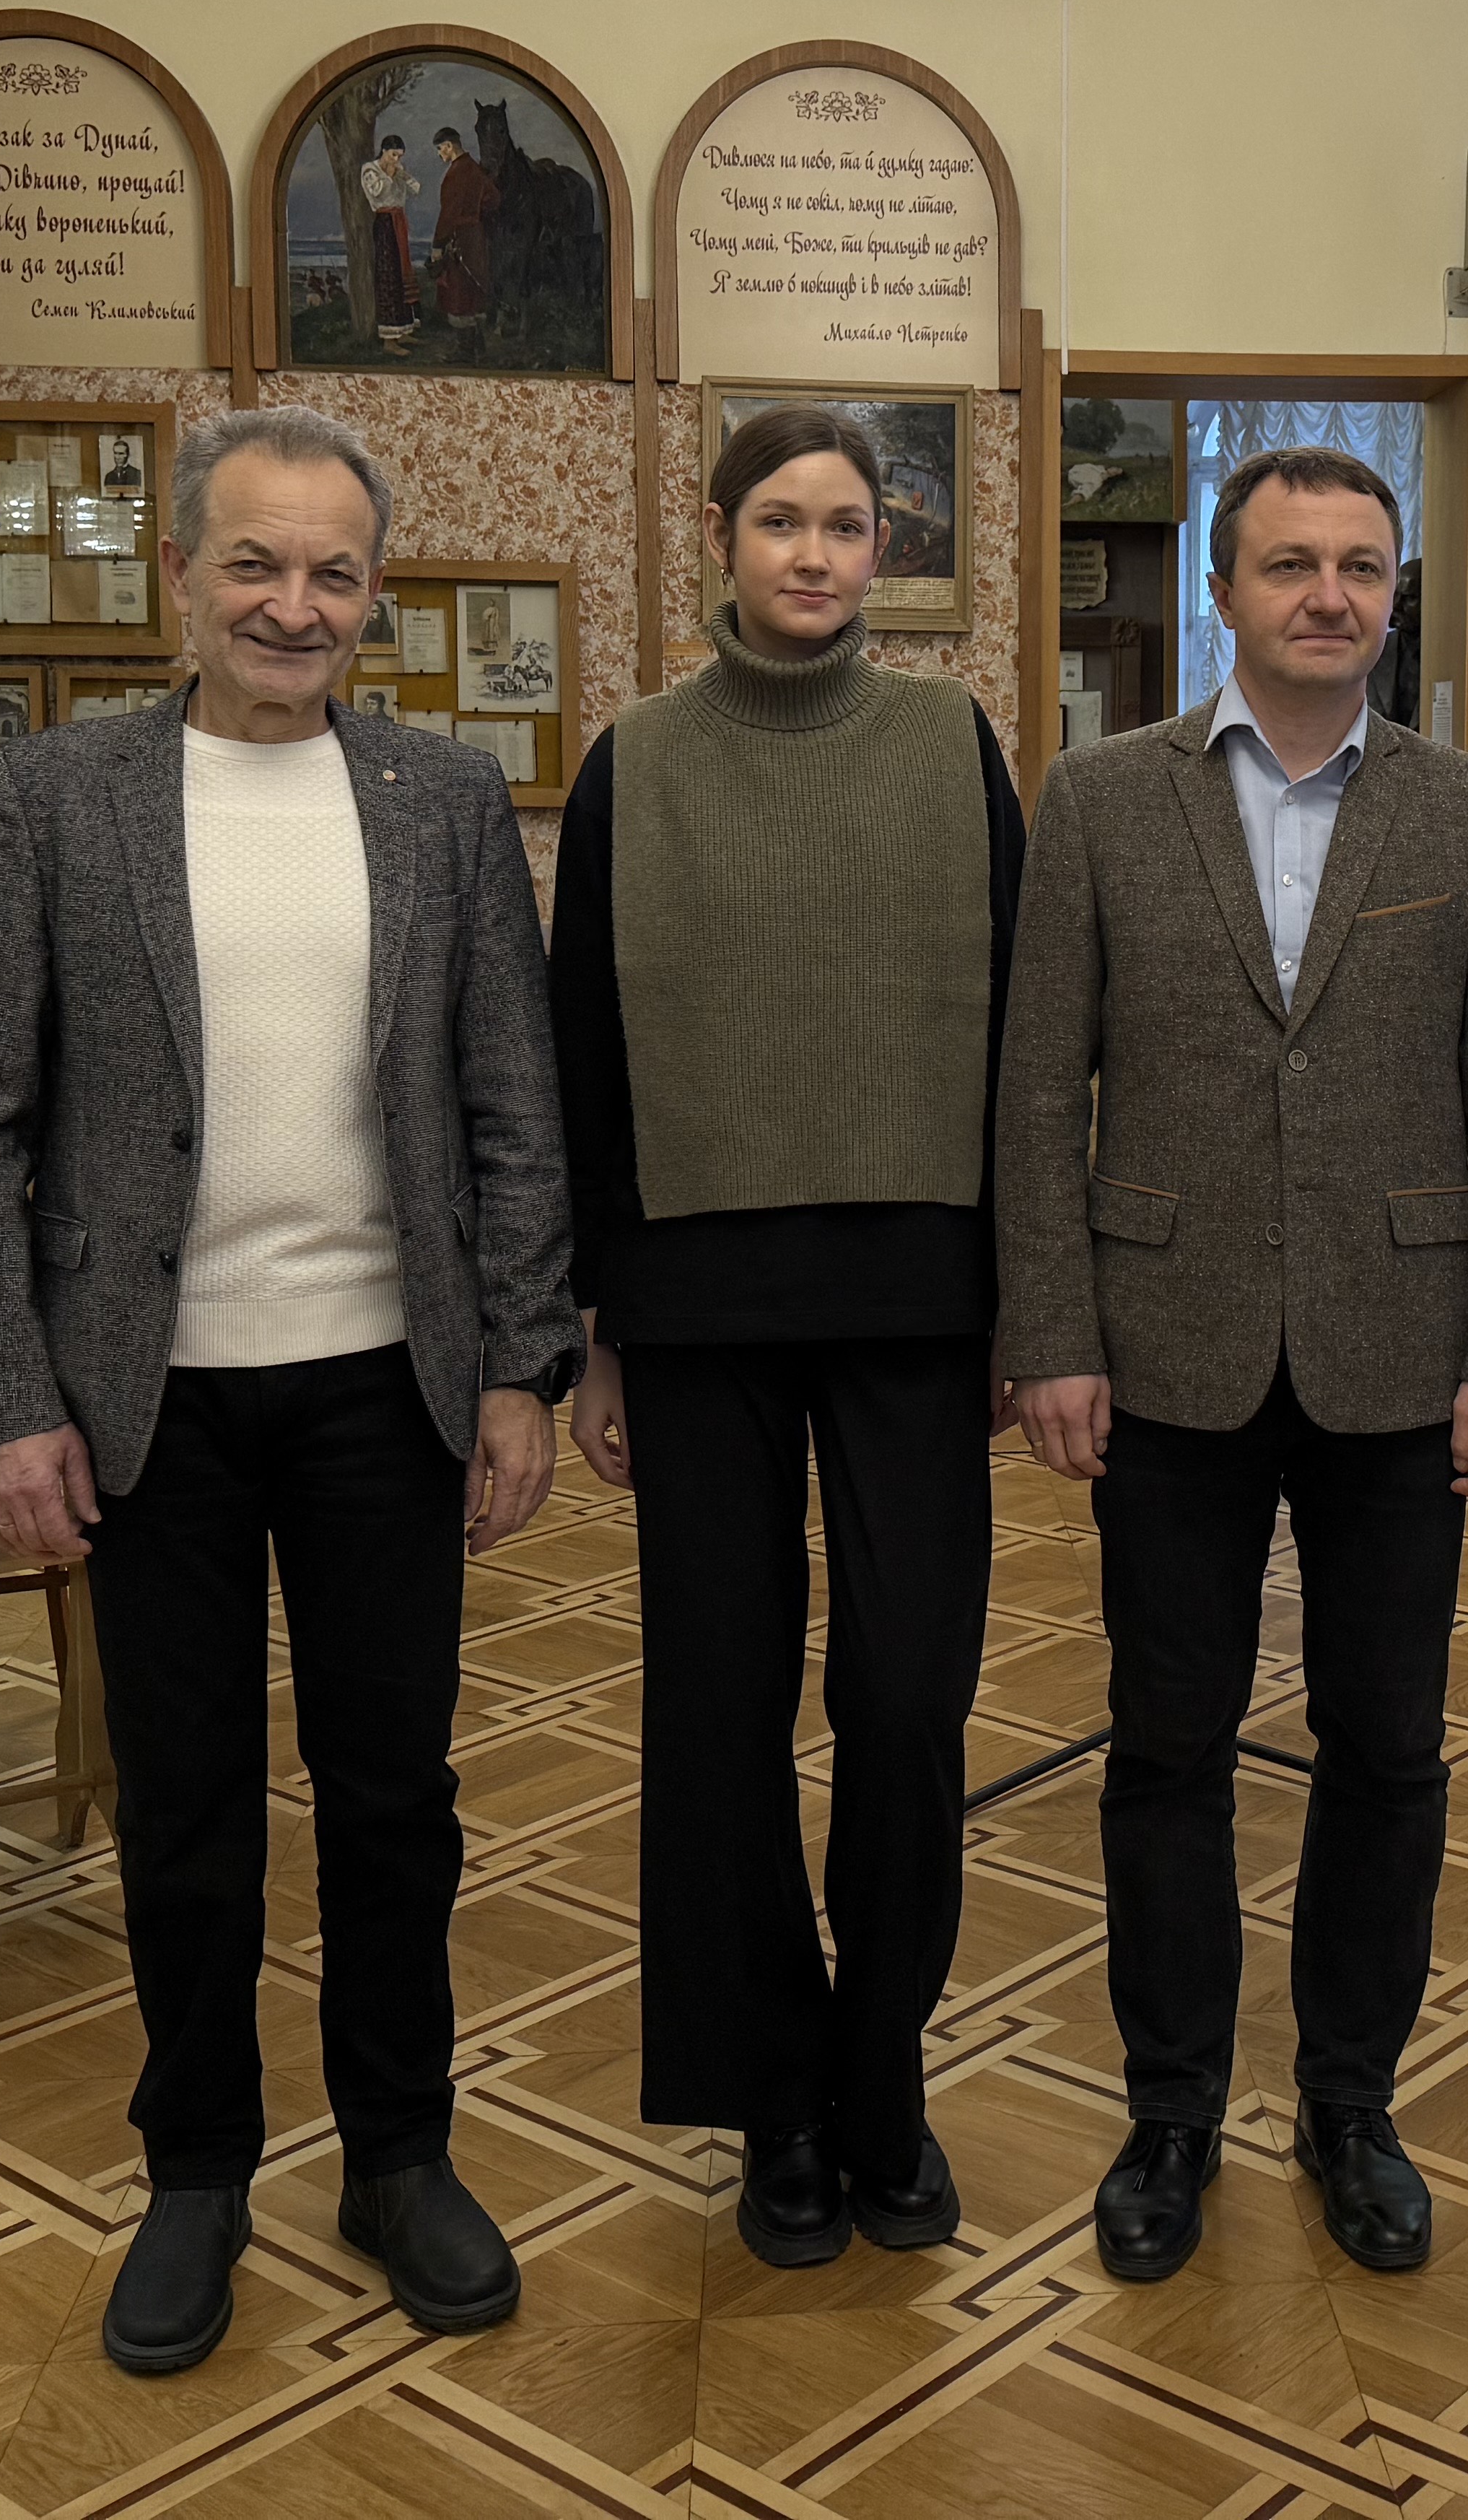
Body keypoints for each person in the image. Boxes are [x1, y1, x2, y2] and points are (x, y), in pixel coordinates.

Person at [0, 404, 580, 2374]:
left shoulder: (444, 798)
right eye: (257, 564)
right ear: (180, 579)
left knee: (395, 1799)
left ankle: (399, 2154)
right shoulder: (59, 797)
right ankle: (197, 2171)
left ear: (372, 595)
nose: (295, 604)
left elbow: (512, 1104)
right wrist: (6, 1401)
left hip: (389, 1386)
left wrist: (525, 1367)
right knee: (189, 1806)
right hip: (151, 1405)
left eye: (334, 572)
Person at [1001, 445, 1468, 2285]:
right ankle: (1170, 2109)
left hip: (1404, 1356)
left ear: (1395, 595)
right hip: (1162, 1349)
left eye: (1361, 568)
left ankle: (1350, 2104)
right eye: (1291, 565)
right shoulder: (1100, 799)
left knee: (1387, 1751)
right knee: (1167, 1746)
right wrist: (1051, 1334)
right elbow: (1038, 1094)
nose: (1330, 595)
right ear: (1224, 592)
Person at [548, 403, 1021, 2269]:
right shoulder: (634, 762)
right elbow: (583, 1050)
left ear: (882, 552)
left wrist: (1027, 1305)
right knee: (720, 1711)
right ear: (720, 540)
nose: (814, 554)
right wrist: (592, 1330)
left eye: (846, 524)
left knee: (904, 1704)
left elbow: (1024, 1035)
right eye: (780, 522)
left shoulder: (951, 744)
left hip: (918, 1299)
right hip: (695, 1308)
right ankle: (775, 2105)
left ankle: (882, 2071)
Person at [427, 122, 497, 336]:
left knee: (458, 292)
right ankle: (477, 345)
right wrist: (476, 215)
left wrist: (438, 245)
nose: (439, 154)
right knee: (474, 288)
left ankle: (466, 348)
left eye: (440, 148)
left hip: (459, 239)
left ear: (449, 146)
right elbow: (494, 198)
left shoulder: (456, 173)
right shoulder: (475, 168)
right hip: (476, 237)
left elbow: (448, 214)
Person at [359, 135, 421, 350]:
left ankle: (403, 331)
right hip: (385, 223)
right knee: (388, 277)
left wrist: (402, 175)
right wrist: (390, 175)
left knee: (402, 274)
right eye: (393, 154)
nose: (396, 159)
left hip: (398, 222)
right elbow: (377, 193)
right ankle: (389, 339)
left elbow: (416, 189)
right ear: (384, 151)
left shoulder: (397, 168)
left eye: (400, 156)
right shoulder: (370, 169)